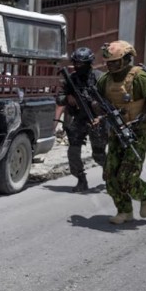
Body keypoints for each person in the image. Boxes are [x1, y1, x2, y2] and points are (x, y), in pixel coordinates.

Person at [94, 40, 146, 224]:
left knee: (126, 176)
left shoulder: (140, 77)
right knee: (110, 176)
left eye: (115, 62)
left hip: (139, 133)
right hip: (117, 131)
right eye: (108, 62)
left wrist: (141, 119)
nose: (110, 66)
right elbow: (96, 101)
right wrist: (100, 111)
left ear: (126, 60)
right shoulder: (106, 79)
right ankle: (124, 210)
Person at [56, 47, 107, 192]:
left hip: (97, 119)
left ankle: (110, 174)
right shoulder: (71, 79)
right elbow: (59, 98)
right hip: (79, 118)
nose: (78, 66)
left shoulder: (100, 78)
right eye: (76, 63)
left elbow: (110, 99)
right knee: (73, 151)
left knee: (98, 154)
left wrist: (97, 105)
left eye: (81, 64)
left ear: (89, 63)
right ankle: (81, 180)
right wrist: (68, 97)